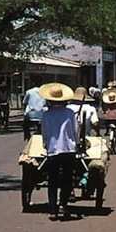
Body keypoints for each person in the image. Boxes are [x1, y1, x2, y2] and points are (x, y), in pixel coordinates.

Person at [39, 82, 79, 218]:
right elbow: (76, 131)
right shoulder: (70, 113)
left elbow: (44, 133)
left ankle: (52, 210)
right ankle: (63, 204)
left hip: (53, 150)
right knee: (67, 180)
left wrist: (46, 144)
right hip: (68, 150)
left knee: (53, 181)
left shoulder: (46, 115)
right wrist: (77, 143)